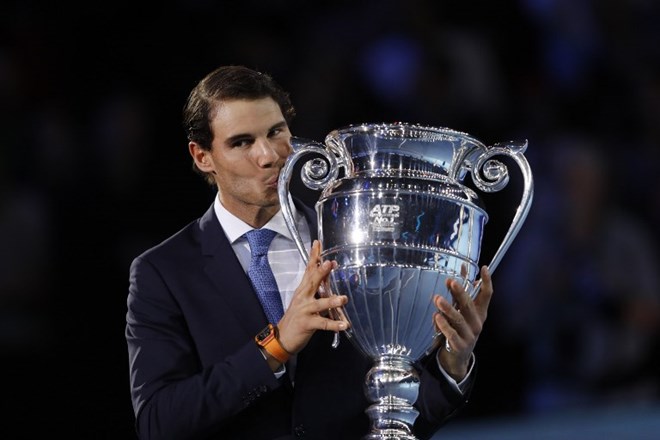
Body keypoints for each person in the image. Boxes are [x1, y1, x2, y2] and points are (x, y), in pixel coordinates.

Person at [125, 65, 494, 440]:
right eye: (242, 142)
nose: (269, 156)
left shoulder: (356, 243)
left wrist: (453, 363)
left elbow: (401, 413)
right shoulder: (164, 272)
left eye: (276, 132)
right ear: (203, 156)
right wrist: (276, 345)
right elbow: (159, 422)